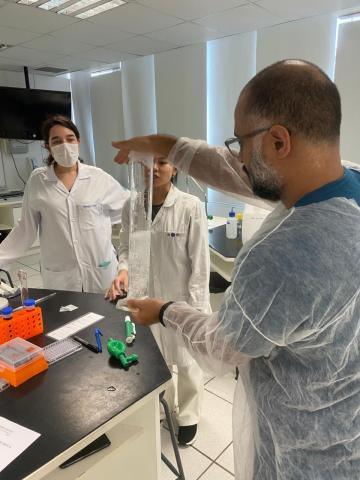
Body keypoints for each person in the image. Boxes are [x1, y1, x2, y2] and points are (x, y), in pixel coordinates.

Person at [111, 60, 360, 479]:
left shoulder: (288, 254)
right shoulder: (346, 182)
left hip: (311, 452)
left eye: (240, 142)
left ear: (279, 141)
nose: (237, 157)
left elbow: (226, 346)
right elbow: (236, 174)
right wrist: (167, 145)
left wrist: (167, 310)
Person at [106, 156, 210, 446]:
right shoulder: (132, 205)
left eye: (162, 162)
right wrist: (123, 269)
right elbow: (125, 247)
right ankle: (164, 404)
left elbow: (200, 262)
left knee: (188, 363)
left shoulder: (190, 206)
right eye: (147, 163)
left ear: (174, 168)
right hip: (145, 297)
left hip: (182, 302)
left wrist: (198, 311)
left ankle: (188, 414)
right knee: (156, 359)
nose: (153, 168)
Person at [0, 115, 128, 293]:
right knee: (67, 318)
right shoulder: (38, 180)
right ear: (48, 147)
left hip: (101, 270)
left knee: (106, 316)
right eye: (57, 141)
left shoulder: (98, 177)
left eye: (70, 139)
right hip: (61, 275)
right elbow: (25, 229)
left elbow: (129, 209)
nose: (65, 145)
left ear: (78, 142)